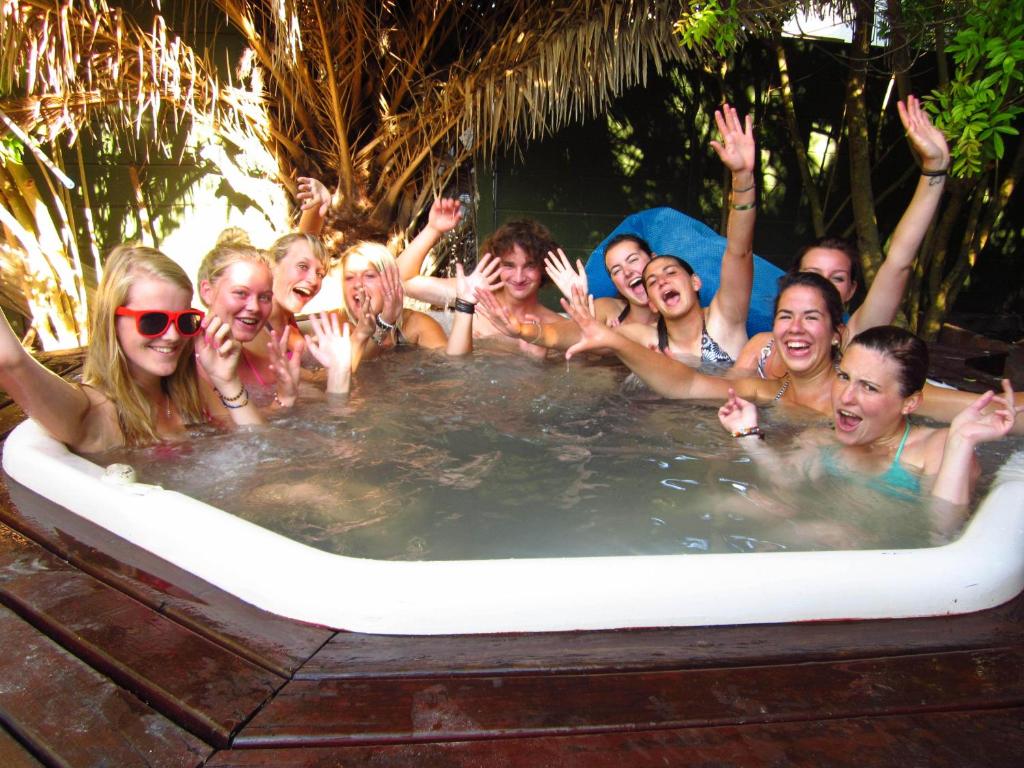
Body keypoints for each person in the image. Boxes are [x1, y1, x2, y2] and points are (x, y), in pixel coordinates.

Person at [563, 273, 1024, 432]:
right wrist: (613, 340)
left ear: (838, 333)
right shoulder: (771, 391)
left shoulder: (876, 394)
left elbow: (997, 409)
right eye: (785, 316)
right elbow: (684, 385)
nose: (795, 329)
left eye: (810, 317)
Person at [477, 103, 757, 364]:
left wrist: (743, 178)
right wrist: (523, 330)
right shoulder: (644, 336)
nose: (660, 281)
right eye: (651, 281)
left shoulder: (725, 319)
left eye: (670, 272)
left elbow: (739, 252)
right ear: (653, 303)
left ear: (695, 281)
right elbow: (580, 336)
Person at [717, 326, 1020, 535]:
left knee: (829, 530)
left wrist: (962, 441)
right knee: (742, 502)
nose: (846, 397)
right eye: (844, 377)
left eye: (869, 387)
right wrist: (748, 436)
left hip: (880, 562)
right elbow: (785, 479)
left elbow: (942, 528)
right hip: (825, 537)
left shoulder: (937, 448)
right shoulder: (822, 437)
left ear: (910, 403)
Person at [736, 95, 950, 378]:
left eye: (837, 278)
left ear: (851, 291)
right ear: (792, 281)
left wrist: (934, 169)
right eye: (813, 274)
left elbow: (898, 262)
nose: (824, 283)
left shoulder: (851, 342)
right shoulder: (761, 346)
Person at [0, 245, 261, 453]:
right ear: (112, 321)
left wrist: (227, 381)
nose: (173, 336)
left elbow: (262, 451)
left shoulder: (190, 392)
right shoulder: (95, 410)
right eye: (153, 321)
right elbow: (11, 362)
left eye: (184, 321)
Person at [402, 217, 564, 358]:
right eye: (509, 265)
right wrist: (433, 229)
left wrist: (537, 362)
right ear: (495, 264)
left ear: (543, 268)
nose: (518, 277)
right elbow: (403, 280)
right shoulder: (472, 295)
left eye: (530, 266)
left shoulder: (556, 328)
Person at [196, 235, 302, 408]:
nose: (255, 307)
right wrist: (284, 400)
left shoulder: (262, 358)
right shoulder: (184, 364)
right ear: (207, 292)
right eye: (241, 293)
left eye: (265, 297)